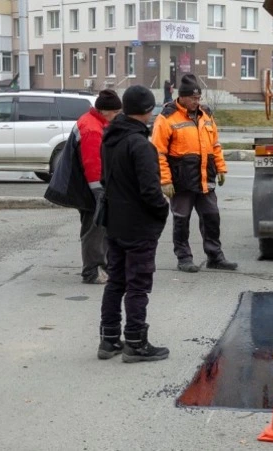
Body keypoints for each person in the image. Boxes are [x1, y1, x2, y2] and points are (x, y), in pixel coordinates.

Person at [97, 85, 170, 363]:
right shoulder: (141, 145)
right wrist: (162, 209)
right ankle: (136, 343)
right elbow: (151, 191)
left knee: (115, 282)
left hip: (114, 222)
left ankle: (109, 339)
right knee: (138, 285)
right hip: (138, 226)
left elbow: (104, 179)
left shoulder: (110, 138)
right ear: (148, 111)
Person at [152, 73, 237, 272]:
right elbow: (158, 152)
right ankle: (184, 258)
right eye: (192, 98)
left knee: (212, 217)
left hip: (205, 178)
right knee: (181, 219)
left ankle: (215, 257)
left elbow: (215, 145)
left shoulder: (206, 114)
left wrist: (221, 167)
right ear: (182, 96)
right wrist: (165, 180)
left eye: (198, 98)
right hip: (181, 180)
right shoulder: (166, 117)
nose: (196, 101)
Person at [44, 89, 123, 284]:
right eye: (116, 112)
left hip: (85, 185)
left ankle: (103, 267)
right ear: (105, 111)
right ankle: (92, 271)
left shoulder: (94, 121)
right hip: (87, 187)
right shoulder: (92, 129)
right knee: (95, 228)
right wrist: (100, 193)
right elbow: (93, 164)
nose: (118, 116)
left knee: (98, 227)